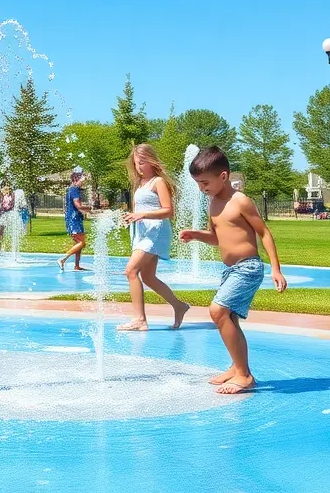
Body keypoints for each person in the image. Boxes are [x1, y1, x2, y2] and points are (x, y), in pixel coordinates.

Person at [179, 146, 286, 395]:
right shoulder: (213, 203)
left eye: (205, 182)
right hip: (229, 270)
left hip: (248, 267)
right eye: (197, 183)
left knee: (217, 312)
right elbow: (217, 239)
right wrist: (197, 235)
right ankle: (237, 367)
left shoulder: (241, 202)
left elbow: (264, 234)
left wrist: (276, 270)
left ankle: (244, 376)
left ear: (223, 176)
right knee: (231, 320)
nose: (201, 188)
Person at [118, 144, 190, 332]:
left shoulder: (158, 182)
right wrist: (131, 217)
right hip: (142, 233)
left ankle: (140, 319)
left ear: (151, 161)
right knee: (148, 277)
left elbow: (168, 211)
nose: (139, 167)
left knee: (131, 271)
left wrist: (142, 215)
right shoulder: (140, 184)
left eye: (142, 162)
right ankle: (179, 306)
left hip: (155, 231)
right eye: (136, 163)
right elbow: (140, 210)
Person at [58, 168, 92, 272]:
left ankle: (77, 266)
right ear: (77, 179)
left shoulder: (70, 190)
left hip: (73, 219)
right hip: (74, 220)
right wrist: (90, 208)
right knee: (82, 243)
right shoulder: (74, 190)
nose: (84, 181)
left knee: (78, 243)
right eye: (82, 178)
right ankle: (63, 259)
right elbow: (78, 206)